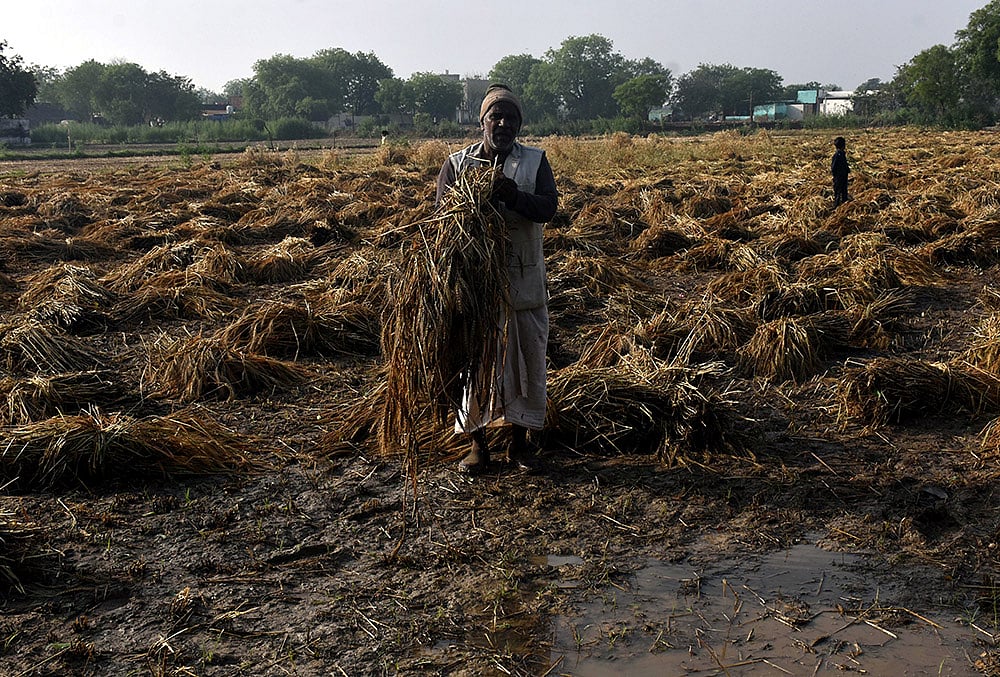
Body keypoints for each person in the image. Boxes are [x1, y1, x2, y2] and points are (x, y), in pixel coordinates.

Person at [435, 84, 558, 474]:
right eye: (495, 117)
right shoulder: (458, 164)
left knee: (527, 363)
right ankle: (477, 445)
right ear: (482, 122)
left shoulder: (535, 162)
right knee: (476, 365)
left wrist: (513, 196)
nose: (503, 124)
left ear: (520, 124)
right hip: (476, 287)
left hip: (524, 283)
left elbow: (548, 208)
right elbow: (440, 218)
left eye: (511, 118)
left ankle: (519, 447)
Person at [831, 136, 850, 206]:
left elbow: (844, 164)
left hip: (844, 176)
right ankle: (836, 206)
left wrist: (847, 169)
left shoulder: (842, 154)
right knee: (838, 192)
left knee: (844, 191)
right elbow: (833, 167)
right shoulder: (837, 155)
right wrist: (835, 176)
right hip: (838, 177)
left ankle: (844, 205)